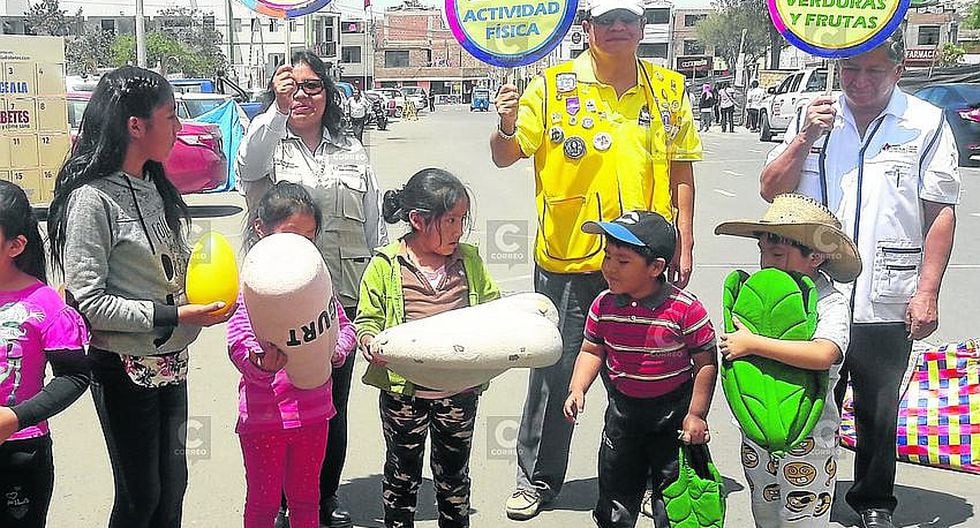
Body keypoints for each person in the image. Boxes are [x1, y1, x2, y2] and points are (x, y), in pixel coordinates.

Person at [490, 0, 703, 519]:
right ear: (587, 28)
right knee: (555, 373)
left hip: (645, 262)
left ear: (642, 28)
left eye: (627, 19)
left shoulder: (668, 89)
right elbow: (504, 154)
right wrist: (506, 122)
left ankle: (651, 480)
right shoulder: (550, 85)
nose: (617, 28)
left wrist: (684, 239)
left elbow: (681, 169)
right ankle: (537, 479)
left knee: (650, 374)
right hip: (568, 255)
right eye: (606, 20)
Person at [759, 29, 960, 528]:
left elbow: (939, 211)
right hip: (812, 291)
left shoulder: (925, 122)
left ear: (898, 71)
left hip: (886, 292)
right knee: (807, 400)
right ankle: (807, 492)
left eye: (874, 71)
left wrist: (928, 292)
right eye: (851, 69)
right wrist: (805, 137)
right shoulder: (814, 114)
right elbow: (770, 189)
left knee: (877, 408)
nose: (860, 81)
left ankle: (873, 501)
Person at [47, 66, 231, 527]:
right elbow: (88, 303)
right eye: (170, 117)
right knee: (140, 496)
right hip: (123, 369)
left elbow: (173, 266)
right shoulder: (91, 200)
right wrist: (175, 314)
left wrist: (215, 296)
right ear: (135, 125)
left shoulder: (155, 185)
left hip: (172, 361)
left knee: (173, 486)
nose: (178, 127)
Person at [238, 50, 388, 528]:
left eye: (312, 86)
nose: (302, 95)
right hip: (280, 304)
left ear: (328, 92)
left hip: (340, 297)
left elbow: (372, 224)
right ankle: (282, 502)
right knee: (280, 402)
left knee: (329, 408)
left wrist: (378, 289)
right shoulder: (268, 140)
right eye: (291, 86)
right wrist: (276, 109)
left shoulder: (351, 148)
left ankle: (323, 498)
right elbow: (248, 164)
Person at [356, 168, 500, 528]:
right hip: (404, 397)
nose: (458, 230)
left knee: (453, 477)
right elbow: (368, 319)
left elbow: (493, 309)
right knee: (402, 477)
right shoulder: (386, 264)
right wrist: (370, 341)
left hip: (459, 394)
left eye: (462, 219)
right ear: (417, 220)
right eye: (450, 220)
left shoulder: (469, 261)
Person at [563, 211, 717, 528]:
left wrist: (696, 414)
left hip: (672, 417)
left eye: (622, 261)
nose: (609, 267)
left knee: (673, 499)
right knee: (615, 494)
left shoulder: (685, 309)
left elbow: (706, 362)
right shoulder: (603, 305)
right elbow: (592, 349)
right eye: (607, 256)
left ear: (656, 267)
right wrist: (577, 388)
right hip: (623, 414)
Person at [715, 193, 861, 527]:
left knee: (802, 515)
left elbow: (824, 354)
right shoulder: (754, 294)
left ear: (816, 257)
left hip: (810, 433)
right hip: (757, 429)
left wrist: (753, 344)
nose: (767, 262)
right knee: (765, 510)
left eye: (778, 254)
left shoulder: (828, 301)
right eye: (763, 252)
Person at [228, 181, 356, 528]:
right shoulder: (255, 288)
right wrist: (259, 364)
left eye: (308, 237)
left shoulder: (314, 283)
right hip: (265, 417)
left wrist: (337, 349)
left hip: (314, 414)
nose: (300, 246)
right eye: (290, 235)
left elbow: (343, 326)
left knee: (306, 498)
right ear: (261, 229)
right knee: (263, 503)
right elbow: (237, 342)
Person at [0, 181, 90, 528]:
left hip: (20, 453)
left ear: (15, 245)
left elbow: (73, 376)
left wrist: (16, 417)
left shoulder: (44, 304)